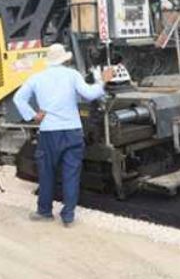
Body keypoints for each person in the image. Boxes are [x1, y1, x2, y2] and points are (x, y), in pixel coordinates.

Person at [13, 44, 114, 226]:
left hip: (49, 132)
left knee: (47, 173)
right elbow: (90, 94)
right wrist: (103, 81)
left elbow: (18, 98)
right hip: (72, 131)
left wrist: (33, 115)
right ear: (65, 59)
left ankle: (44, 212)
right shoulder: (72, 75)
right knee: (71, 174)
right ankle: (68, 216)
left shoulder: (36, 78)